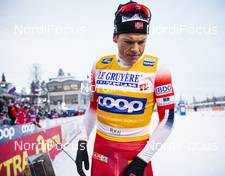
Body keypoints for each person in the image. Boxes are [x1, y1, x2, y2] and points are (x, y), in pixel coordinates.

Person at [75, 1, 175, 176]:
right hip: (102, 148)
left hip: (136, 151)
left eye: (142, 42)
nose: (136, 49)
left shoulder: (159, 69)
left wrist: (143, 159)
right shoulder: (99, 65)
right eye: (128, 42)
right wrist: (82, 142)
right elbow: (93, 108)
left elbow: (167, 120)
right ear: (115, 37)